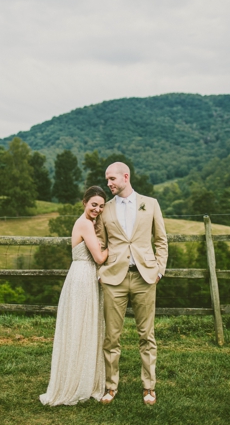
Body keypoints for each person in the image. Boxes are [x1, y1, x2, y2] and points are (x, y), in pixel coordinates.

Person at [97, 162, 168, 406]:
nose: (109, 183)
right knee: (111, 337)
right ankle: (110, 386)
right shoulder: (104, 209)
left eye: (112, 178)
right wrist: (101, 272)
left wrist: (159, 270)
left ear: (125, 177)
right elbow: (100, 244)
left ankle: (149, 387)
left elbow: (161, 240)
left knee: (147, 335)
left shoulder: (151, 203)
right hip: (114, 279)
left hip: (145, 278)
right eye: (107, 179)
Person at [40, 186, 109, 406]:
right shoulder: (85, 223)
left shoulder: (90, 222)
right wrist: (118, 246)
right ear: (84, 203)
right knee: (80, 327)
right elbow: (98, 258)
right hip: (83, 276)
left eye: (101, 206)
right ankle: (75, 382)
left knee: (85, 327)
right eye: (93, 204)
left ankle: (84, 379)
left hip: (85, 276)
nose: (97, 209)